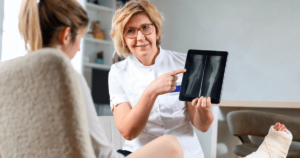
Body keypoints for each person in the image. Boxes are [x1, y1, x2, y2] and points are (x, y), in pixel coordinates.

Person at [17, 0, 184, 158]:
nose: (79, 47)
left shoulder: (6, 75)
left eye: (145, 28)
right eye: (81, 38)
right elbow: (101, 151)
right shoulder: (67, 79)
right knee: (170, 144)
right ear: (66, 36)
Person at [109, 1, 214, 157]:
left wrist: (204, 111)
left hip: (186, 154)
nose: (140, 37)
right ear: (123, 38)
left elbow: (202, 126)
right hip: (141, 153)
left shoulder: (185, 63)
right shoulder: (118, 72)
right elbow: (128, 132)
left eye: (145, 28)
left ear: (156, 31)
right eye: (130, 31)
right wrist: (151, 92)